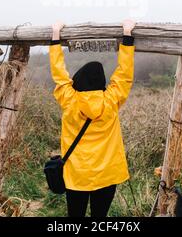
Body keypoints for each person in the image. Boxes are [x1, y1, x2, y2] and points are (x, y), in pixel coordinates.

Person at [49, 19, 136, 217]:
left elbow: (59, 76)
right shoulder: (111, 100)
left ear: (77, 82)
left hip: (76, 175)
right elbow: (124, 75)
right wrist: (127, 35)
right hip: (107, 174)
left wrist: (55, 38)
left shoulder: (69, 100)